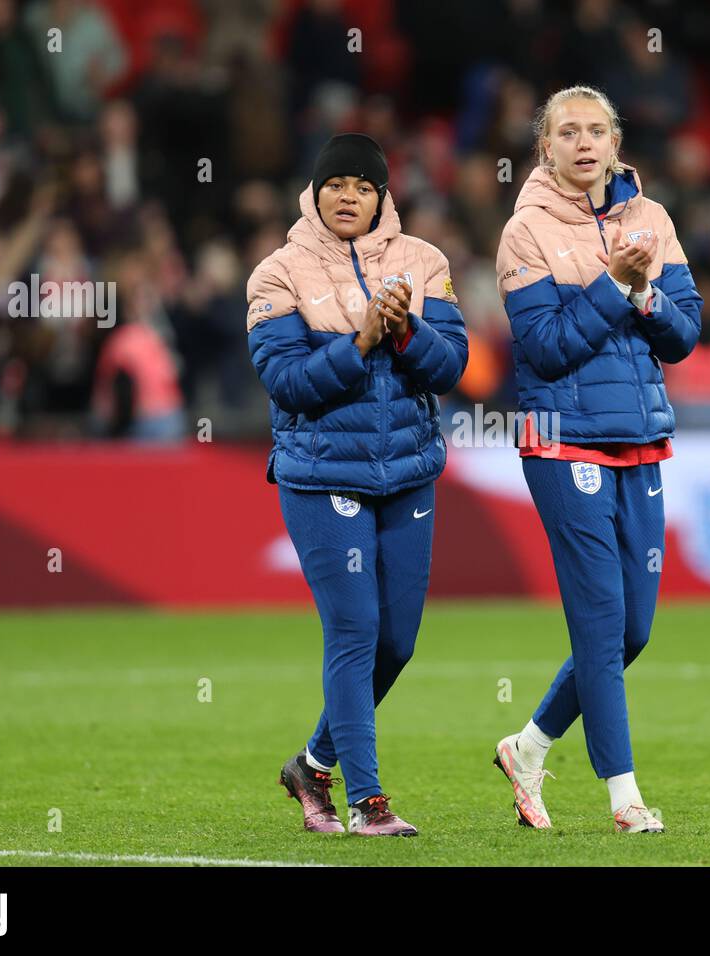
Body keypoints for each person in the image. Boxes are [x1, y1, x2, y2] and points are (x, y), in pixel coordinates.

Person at [493, 86, 702, 833]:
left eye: (596, 131)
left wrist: (643, 295)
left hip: (639, 437)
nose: (584, 144)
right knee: (601, 619)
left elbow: (685, 335)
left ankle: (529, 746)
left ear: (616, 144)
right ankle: (625, 797)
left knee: (633, 630)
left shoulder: (654, 220)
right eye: (566, 132)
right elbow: (545, 347)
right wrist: (615, 283)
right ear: (545, 148)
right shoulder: (524, 232)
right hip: (561, 440)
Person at [246, 133, 467, 836]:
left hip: (406, 472)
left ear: (382, 196)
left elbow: (454, 363)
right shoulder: (276, 274)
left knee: (397, 642)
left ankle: (311, 766)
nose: (349, 196)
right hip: (320, 476)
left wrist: (405, 336)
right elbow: (285, 383)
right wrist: (360, 344)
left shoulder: (425, 262)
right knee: (355, 629)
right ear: (314, 193)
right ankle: (368, 802)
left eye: (364, 186)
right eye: (336, 183)